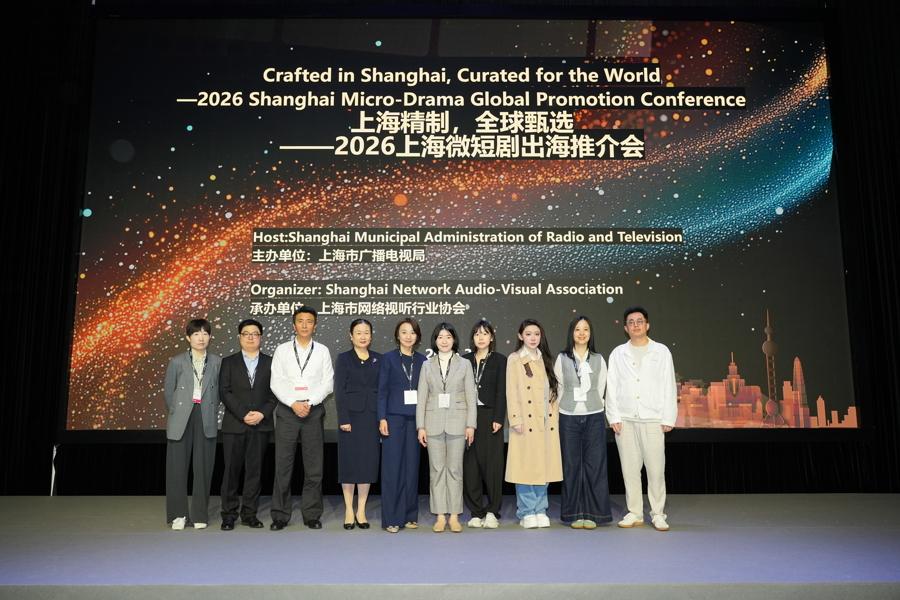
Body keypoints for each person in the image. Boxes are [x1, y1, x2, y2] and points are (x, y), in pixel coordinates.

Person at [606, 306, 677, 532]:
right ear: (625, 328)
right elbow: (611, 386)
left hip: (653, 419)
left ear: (647, 325)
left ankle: (658, 513)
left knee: (656, 470)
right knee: (629, 470)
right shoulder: (618, 353)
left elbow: (669, 384)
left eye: (639, 321)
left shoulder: (661, 351)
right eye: (631, 322)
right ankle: (634, 512)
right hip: (625, 420)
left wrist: (668, 417)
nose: (636, 325)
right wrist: (613, 416)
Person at [269, 306, 334, 530]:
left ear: (315, 325)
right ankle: (280, 515)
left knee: (314, 467)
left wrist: (310, 402)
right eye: (300, 321)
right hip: (288, 411)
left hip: (313, 411)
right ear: (294, 324)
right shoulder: (282, 350)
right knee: (283, 465)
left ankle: (312, 514)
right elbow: (276, 382)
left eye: (309, 321)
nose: (305, 325)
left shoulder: (322, 351)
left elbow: (328, 383)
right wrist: (293, 403)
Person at [416, 322, 477, 533]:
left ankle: (454, 515)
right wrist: (420, 426)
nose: (444, 341)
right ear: (435, 340)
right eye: (440, 337)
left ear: (454, 340)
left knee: (455, 470)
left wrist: (471, 425)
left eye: (448, 337)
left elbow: (471, 396)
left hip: (458, 423)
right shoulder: (426, 365)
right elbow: (422, 398)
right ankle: (440, 515)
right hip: (432, 423)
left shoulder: (464, 364)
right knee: (436, 471)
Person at [553, 315, 612, 529]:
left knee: (595, 465)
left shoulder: (598, 359)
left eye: (585, 329)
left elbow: (602, 387)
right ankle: (575, 513)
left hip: (594, 415)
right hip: (568, 416)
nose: (581, 333)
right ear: (571, 333)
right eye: (577, 329)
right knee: (571, 466)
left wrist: (599, 407)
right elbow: (559, 387)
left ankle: (595, 514)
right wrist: (558, 413)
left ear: (590, 333)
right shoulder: (562, 358)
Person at [218, 318, 277, 530]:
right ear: (239, 337)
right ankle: (228, 514)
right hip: (234, 425)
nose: (251, 337)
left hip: (261, 425)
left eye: (255, 334)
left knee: (255, 471)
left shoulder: (271, 362)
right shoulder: (228, 362)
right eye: (246, 333)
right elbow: (225, 391)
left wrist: (261, 413)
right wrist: (244, 414)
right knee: (231, 472)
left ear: (261, 337)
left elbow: (275, 393)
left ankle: (249, 514)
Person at [163, 318, 222, 530]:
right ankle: (178, 515)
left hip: (205, 416)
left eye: (205, 333)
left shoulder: (217, 362)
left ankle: (199, 514)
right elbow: (169, 392)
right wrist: (179, 411)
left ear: (210, 337)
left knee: (203, 467)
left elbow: (220, 392)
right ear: (188, 338)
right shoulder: (177, 361)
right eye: (196, 334)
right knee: (177, 468)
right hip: (181, 418)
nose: (201, 338)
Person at [505, 319, 562, 529]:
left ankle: (540, 509)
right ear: (520, 336)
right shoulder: (515, 359)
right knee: (525, 467)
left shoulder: (545, 359)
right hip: (525, 421)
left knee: (544, 467)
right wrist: (515, 419)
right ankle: (527, 511)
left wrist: (554, 417)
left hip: (546, 422)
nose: (533, 338)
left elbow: (554, 391)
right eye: (528, 334)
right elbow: (511, 391)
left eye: (536, 334)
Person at [377, 318, 428, 533]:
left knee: (411, 469)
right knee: (392, 469)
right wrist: (382, 418)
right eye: (404, 332)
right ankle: (392, 518)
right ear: (397, 335)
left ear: (417, 336)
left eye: (412, 332)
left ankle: (409, 515)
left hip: (415, 421)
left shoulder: (423, 360)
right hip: (393, 419)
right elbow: (382, 391)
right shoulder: (388, 359)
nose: (408, 336)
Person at [334, 318, 381, 530]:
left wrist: (382, 418)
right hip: (351, 419)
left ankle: (361, 509)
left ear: (371, 335)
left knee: (366, 463)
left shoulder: (379, 359)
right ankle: (348, 509)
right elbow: (339, 391)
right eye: (359, 332)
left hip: (371, 418)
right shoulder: (344, 359)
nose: (363, 336)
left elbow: (382, 390)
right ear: (351, 336)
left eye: (366, 332)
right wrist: (343, 419)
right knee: (350, 463)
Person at [461, 319, 507, 529]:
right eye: (477, 334)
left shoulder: (499, 360)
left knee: (493, 467)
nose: (481, 337)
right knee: (470, 466)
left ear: (491, 337)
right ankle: (476, 511)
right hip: (467, 419)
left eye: (485, 333)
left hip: (490, 418)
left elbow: (501, 391)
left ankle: (492, 511)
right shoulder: (464, 360)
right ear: (473, 337)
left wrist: (499, 417)